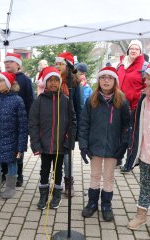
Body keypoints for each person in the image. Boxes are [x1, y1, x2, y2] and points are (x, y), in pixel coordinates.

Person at [78, 66, 130, 221]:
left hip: (113, 146)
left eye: (110, 78)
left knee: (108, 176)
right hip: (95, 145)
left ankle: (106, 204)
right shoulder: (91, 100)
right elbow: (84, 124)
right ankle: (92, 203)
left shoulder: (122, 100)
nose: (106, 80)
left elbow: (127, 125)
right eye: (103, 77)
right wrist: (83, 145)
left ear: (115, 81)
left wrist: (124, 144)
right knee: (95, 175)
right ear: (98, 80)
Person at [29, 66, 76, 209]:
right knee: (44, 170)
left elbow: (72, 121)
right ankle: (43, 195)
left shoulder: (66, 100)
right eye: (50, 80)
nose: (53, 83)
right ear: (45, 83)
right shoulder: (39, 101)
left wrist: (69, 141)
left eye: (56, 80)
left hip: (61, 145)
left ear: (60, 82)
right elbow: (33, 123)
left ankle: (56, 194)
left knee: (58, 171)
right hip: (44, 145)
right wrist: (35, 144)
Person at [2, 52, 34, 187]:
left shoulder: (25, 80)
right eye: (6, 62)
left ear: (18, 64)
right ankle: (4, 173)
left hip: (19, 122)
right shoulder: (1, 78)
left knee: (18, 149)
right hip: (3, 122)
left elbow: (30, 101)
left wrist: (28, 122)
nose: (7, 64)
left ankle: (18, 175)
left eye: (10, 62)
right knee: (3, 147)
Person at [117, 39, 150, 173]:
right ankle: (117, 157)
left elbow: (147, 85)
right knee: (118, 132)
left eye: (136, 49)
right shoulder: (121, 65)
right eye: (132, 48)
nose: (133, 51)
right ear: (128, 50)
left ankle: (129, 162)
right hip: (119, 105)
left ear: (140, 51)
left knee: (130, 135)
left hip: (135, 107)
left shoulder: (144, 66)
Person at [55, 52, 84, 197]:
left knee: (66, 156)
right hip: (54, 123)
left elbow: (79, 106)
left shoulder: (74, 83)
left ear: (68, 66)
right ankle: (56, 182)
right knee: (54, 155)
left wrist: (76, 130)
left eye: (61, 64)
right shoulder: (52, 80)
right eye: (57, 64)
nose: (58, 66)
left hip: (67, 125)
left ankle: (68, 183)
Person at [126, 67, 150, 230]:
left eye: (149, 79)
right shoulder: (144, 99)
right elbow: (134, 120)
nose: (145, 82)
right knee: (145, 184)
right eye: (146, 79)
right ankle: (141, 215)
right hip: (145, 152)